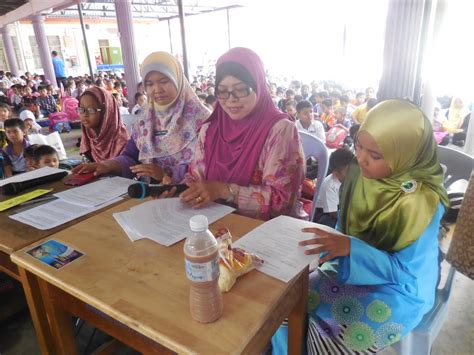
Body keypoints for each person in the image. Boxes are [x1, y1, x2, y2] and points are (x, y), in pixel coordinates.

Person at [272, 99, 449, 353]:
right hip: (348, 265)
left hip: (399, 290)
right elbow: (344, 230)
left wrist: (349, 247)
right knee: (284, 302)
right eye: (358, 147)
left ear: (405, 156)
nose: (362, 159)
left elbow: (406, 274)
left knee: (329, 335)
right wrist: (331, 247)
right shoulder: (357, 174)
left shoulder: (420, 202)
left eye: (375, 155)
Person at [180, 47, 305, 220]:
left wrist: (224, 190)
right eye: (222, 91)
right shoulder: (210, 129)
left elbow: (282, 202)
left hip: (265, 229)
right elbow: (195, 177)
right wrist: (182, 190)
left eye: (241, 89)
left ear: (258, 86)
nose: (231, 99)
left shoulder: (280, 130)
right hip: (215, 223)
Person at [73, 51, 210, 184]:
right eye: (149, 84)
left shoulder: (202, 120)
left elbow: (209, 166)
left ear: (178, 80)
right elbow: (131, 157)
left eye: (164, 81)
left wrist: (165, 174)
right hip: (154, 195)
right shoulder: (145, 120)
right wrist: (108, 165)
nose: (157, 89)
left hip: (193, 197)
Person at [77, 86, 129, 163]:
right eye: (81, 109)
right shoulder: (88, 136)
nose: (85, 114)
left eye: (91, 109)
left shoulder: (123, 142)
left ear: (106, 112)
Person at [314, 148, 354, 227]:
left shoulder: (352, 177)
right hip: (327, 212)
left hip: (342, 206)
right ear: (336, 173)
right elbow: (333, 213)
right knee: (328, 224)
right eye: (348, 171)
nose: (352, 173)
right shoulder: (329, 186)